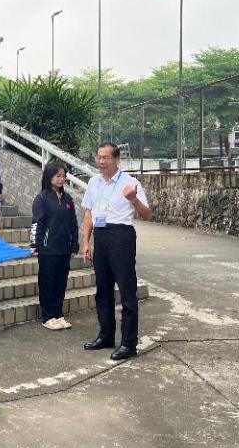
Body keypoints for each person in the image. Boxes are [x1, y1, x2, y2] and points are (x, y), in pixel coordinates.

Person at [80, 143, 152, 361]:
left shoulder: (130, 183)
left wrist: (133, 199)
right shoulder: (93, 182)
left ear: (117, 159)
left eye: (106, 158)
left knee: (127, 290)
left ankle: (129, 343)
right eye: (98, 157)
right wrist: (86, 242)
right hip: (100, 236)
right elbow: (89, 214)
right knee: (103, 289)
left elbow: (147, 214)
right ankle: (106, 335)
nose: (101, 161)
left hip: (121, 236)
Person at [31, 162, 79, 331]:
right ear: (49, 176)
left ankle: (58, 314)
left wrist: (74, 245)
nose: (61, 179)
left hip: (64, 248)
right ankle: (48, 317)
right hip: (47, 249)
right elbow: (37, 222)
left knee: (60, 283)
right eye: (58, 175)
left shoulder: (67, 199)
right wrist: (35, 244)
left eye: (63, 176)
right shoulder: (42, 198)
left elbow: (73, 223)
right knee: (47, 283)